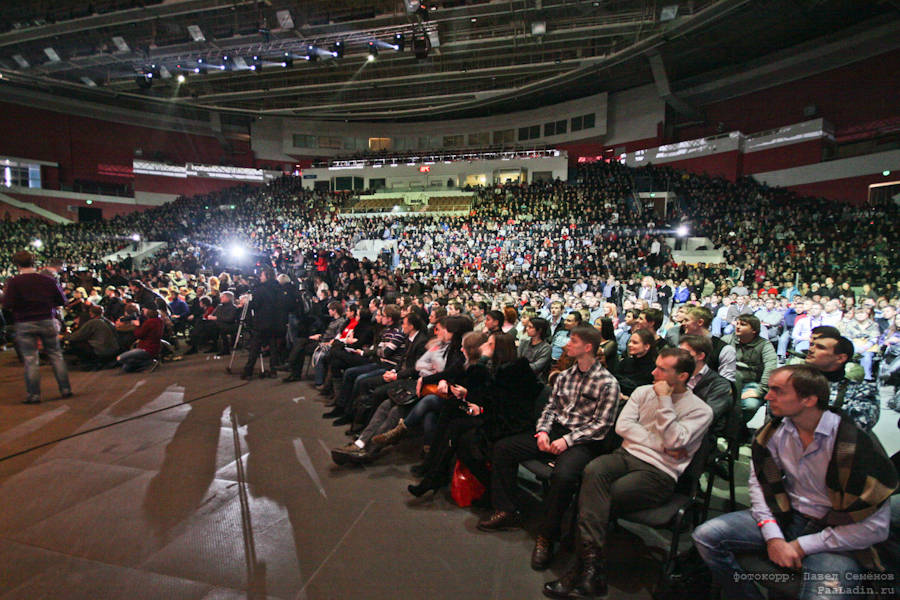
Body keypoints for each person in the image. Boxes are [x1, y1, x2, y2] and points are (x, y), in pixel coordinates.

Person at [692, 364, 897, 600]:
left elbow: (875, 529)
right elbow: (759, 485)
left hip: (836, 532)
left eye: (778, 391)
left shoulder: (856, 446)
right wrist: (774, 536)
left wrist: (801, 546)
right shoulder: (774, 432)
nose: (767, 397)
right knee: (706, 536)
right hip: (787, 514)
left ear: (809, 400)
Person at [543, 348, 713, 598]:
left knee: (598, 498)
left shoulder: (700, 410)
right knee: (594, 469)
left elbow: (675, 440)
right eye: (655, 366)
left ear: (683, 376)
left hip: (660, 472)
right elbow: (623, 427)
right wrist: (663, 444)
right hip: (624, 456)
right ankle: (592, 572)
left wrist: (665, 402)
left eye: (662, 370)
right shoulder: (644, 392)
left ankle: (582, 570)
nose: (653, 373)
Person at [477, 326, 620, 573]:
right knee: (504, 448)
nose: (566, 345)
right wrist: (542, 431)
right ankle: (507, 509)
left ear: (588, 347)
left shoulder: (608, 383)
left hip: (583, 442)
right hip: (554, 433)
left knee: (563, 477)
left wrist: (568, 441)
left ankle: (547, 536)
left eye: (573, 341)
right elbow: (551, 409)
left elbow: (601, 426)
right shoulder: (565, 376)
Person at [2, 250, 72, 403]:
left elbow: (7, 304)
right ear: (34, 262)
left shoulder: (14, 282)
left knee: (31, 360)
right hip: (47, 320)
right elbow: (62, 300)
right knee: (56, 356)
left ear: (17, 264)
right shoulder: (47, 280)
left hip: (24, 322)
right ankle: (65, 389)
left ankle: (34, 395)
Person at [805, 333, 879, 431]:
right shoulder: (797, 382)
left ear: (840, 358)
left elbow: (858, 425)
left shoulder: (862, 390)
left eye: (821, 348)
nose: (811, 350)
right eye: (812, 345)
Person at [117, 307, 165, 372]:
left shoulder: (149, 322)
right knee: (126, 368)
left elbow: (139, 335)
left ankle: (149, 363)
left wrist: (136, 325)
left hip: (146, 349)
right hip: (154, 347)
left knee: (120, 358)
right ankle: (147, 362)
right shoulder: (160, 321)